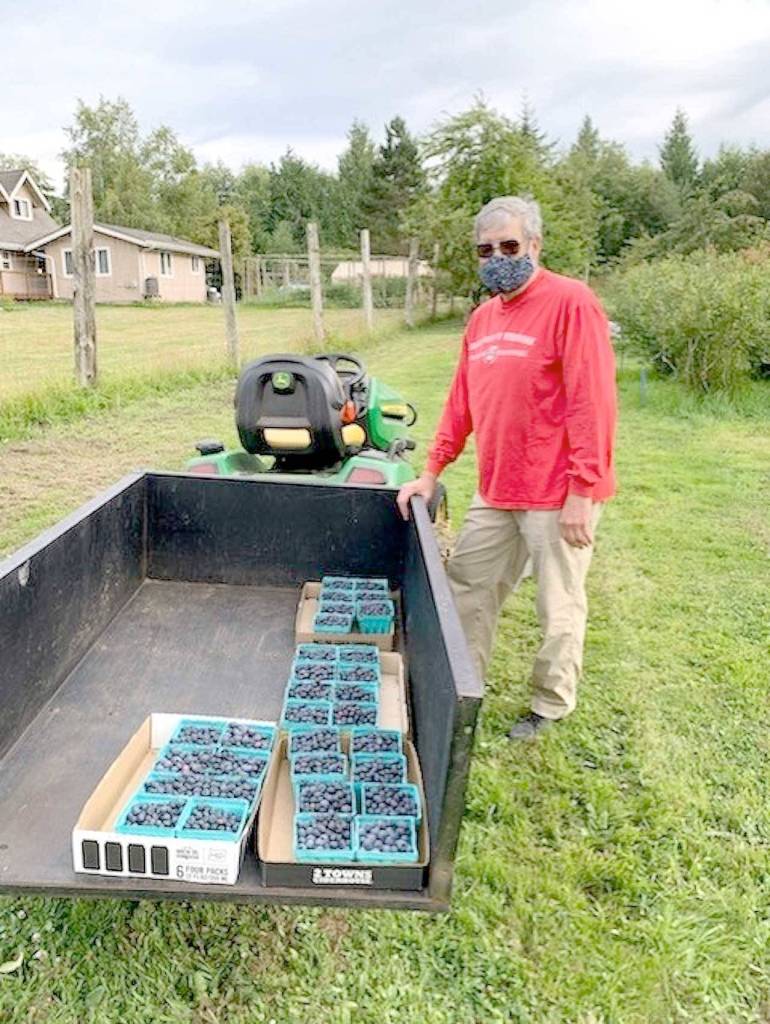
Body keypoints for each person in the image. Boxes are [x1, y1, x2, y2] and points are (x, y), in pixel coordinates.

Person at [397, 196, 617, 740]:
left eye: (510, 246)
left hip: (557, 493)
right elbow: (460, 403)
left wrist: (584, 490)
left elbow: (591, 400)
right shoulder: (482, 320)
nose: (498, 257)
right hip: (497, 490)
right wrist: (431, 469)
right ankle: (463, 689)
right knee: (467, 588)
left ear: (535, 246)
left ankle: (549, 703)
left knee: (558, 605)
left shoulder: (571, 303)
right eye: (486, 250)